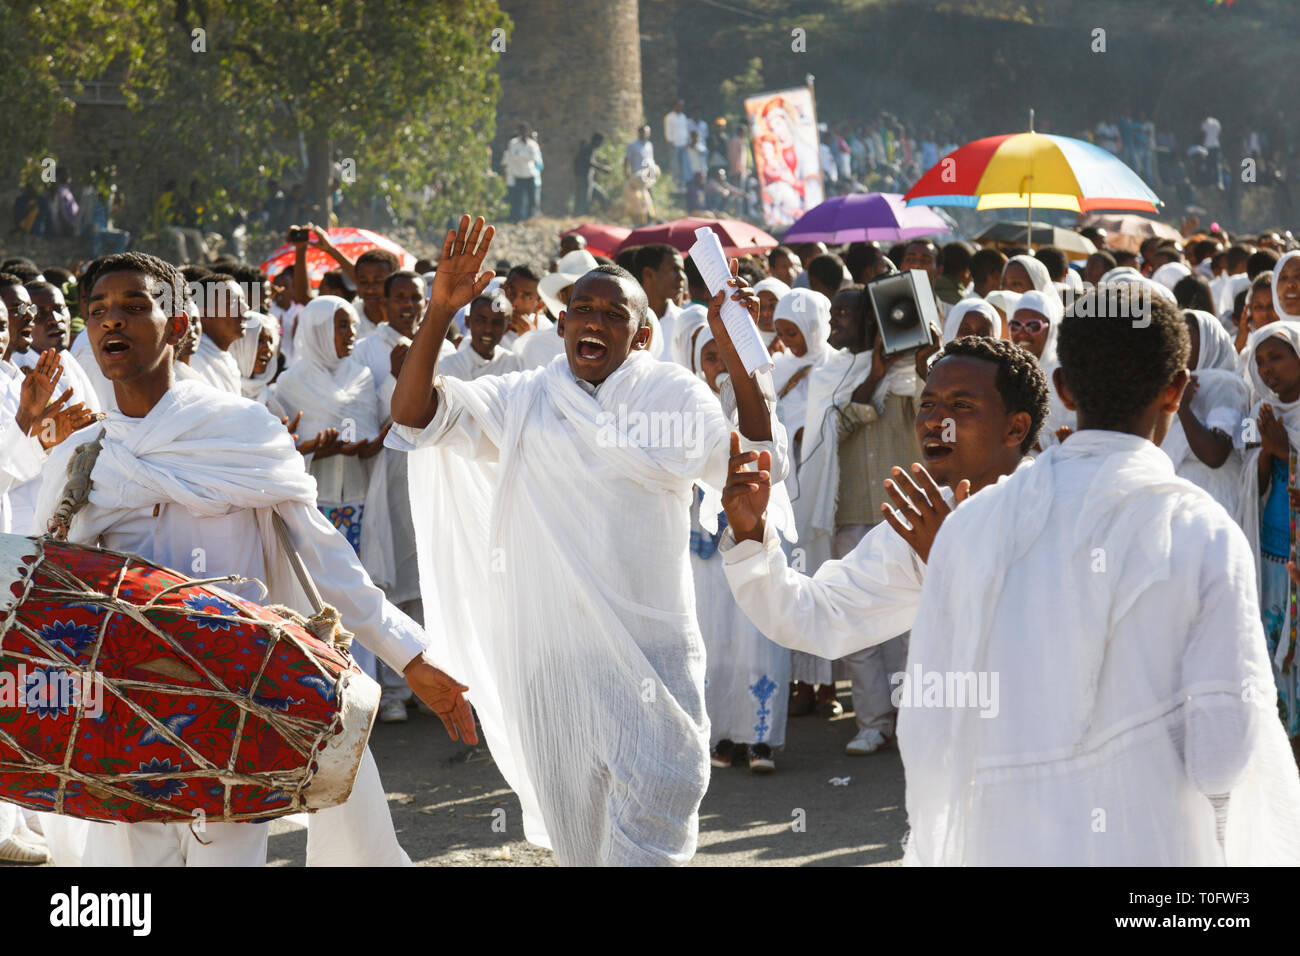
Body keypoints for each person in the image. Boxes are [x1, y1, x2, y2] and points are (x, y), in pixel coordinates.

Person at [35, 253, 475, 867]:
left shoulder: (242, 432)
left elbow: (323, 560)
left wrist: (412, 656)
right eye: (99, 311)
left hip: (233, 700)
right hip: (125, 709)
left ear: (180, 324)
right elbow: (45, 591)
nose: (115, 322)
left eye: (136, 306)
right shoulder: (84, 455)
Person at [387, 215, 788, 866]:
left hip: (654, 659)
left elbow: (749, 464)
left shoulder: (673, 396)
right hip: (555, 668)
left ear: (643, 333)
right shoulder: (523, 399)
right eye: (582, 310)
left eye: (612, 312)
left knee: (648, 844)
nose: (594, 322)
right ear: (562, 324)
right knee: (580, 852)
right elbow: (413, 418)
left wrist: (738, 353)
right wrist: (438, 312)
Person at [904, 288, 1300, 864]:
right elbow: (1223, 754)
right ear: (1175, 389)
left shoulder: (973, 524)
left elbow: (930, 728)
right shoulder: (1204, 533)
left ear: (1063, 388)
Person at [720, 337, 1044, 763]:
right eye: (927, 404)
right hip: (958, 788)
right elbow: (820, 616)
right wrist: (751, 535)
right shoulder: (922, 525)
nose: (935, 422)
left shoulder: (1056, 508)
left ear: (1015, 428)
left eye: (961, 406)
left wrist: (954, 561)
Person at [793, 284, 920, 749]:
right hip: (848, 514)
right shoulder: (829, 372)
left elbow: (928, 412)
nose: (839, 320)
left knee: (905, 625)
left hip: (902, 514)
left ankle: (912, 720)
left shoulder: (910, 370)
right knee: (858, 622)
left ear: (874, 320)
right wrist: (873, 377)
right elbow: (832, 431)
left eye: (848, 313)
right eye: (836, 312)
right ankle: (872, 723)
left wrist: (907, 361)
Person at [689, 326, 789, 773]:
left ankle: (761, 739)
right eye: (710, 356)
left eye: (727, 356)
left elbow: (774, 462)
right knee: (716, 639)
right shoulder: (684, 409)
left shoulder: (761, 408)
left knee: (758, 633)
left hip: (751, 534)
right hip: (702, 543)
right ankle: (723, 735)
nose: (719, 366)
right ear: (696, 361)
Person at [1158, 310, 1247, 516]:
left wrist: (1181, 405)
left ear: (1209, 341)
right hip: (1179, 502)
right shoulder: (1170, 383)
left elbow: (1214, 454)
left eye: (1187, 335)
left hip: (1214, 501)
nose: (1179, 343)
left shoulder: (1225, 385)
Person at [439, 291, 523, 381]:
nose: (488, 329)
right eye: (481, 320)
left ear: (507, 328)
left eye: (497, 323)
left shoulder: (513, 365)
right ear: (468, 322)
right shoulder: (447, 368)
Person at [189, 273, 246, 395]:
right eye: (232, 303)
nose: (245, 309)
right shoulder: (193, 361)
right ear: (204, 313)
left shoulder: (228, 360)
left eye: (243, 301)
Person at [572, 133, 609, 215]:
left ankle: (604, 213)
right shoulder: (589, 148)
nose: (601, 144)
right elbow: (589, 162)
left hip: (585, 178)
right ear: (597, 141)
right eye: (600, 142)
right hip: (584, 178)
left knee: (600, 196)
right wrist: (602, 168)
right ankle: (580, 216)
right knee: (584, 199)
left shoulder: (588, 148)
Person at [664, 101, 690, 184]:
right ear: (674, 106)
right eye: (678, 106)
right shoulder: (669, 117)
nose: (679, 107)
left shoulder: (683, 117)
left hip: (683, 144)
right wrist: (669, 141)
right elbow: (668, 130)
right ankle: (674, 182)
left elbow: (685, 130)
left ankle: (682, 182)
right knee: (674, 163)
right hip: (674, 144)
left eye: (681, 106)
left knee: (683, 164)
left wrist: (687, 141)